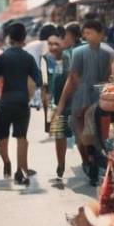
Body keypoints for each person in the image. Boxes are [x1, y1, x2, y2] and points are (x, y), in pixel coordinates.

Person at [54, 17, 114, 186]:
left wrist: (62, 103)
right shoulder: (104, 52)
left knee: (84, 134)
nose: (87, 36)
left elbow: (72, 79)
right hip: (95, 98)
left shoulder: (75, 53)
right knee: (89, 133)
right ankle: (92, 159)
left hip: (88, 99)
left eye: (89, 33)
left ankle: (90, 160)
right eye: (85, 33)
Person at [0, 21, 42, 184]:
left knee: (2, 137)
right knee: (22, 137)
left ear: (9, 38)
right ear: (24, 38)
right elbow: (39, 80)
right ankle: (20, 170)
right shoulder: (27, 58)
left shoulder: (2, 57)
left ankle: (6, 161)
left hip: (5, 102)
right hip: (22, 102)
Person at [42, 35, 72, 179]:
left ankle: (88, 161)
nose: (53, 47)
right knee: (60, 135)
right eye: (50, 44)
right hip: (56, 104)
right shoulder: (47, 60)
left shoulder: (70, 58)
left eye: (56, 43)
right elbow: (45, 87)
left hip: (73, 103)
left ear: (63, 43)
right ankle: (61, 164)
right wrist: (46, 118)